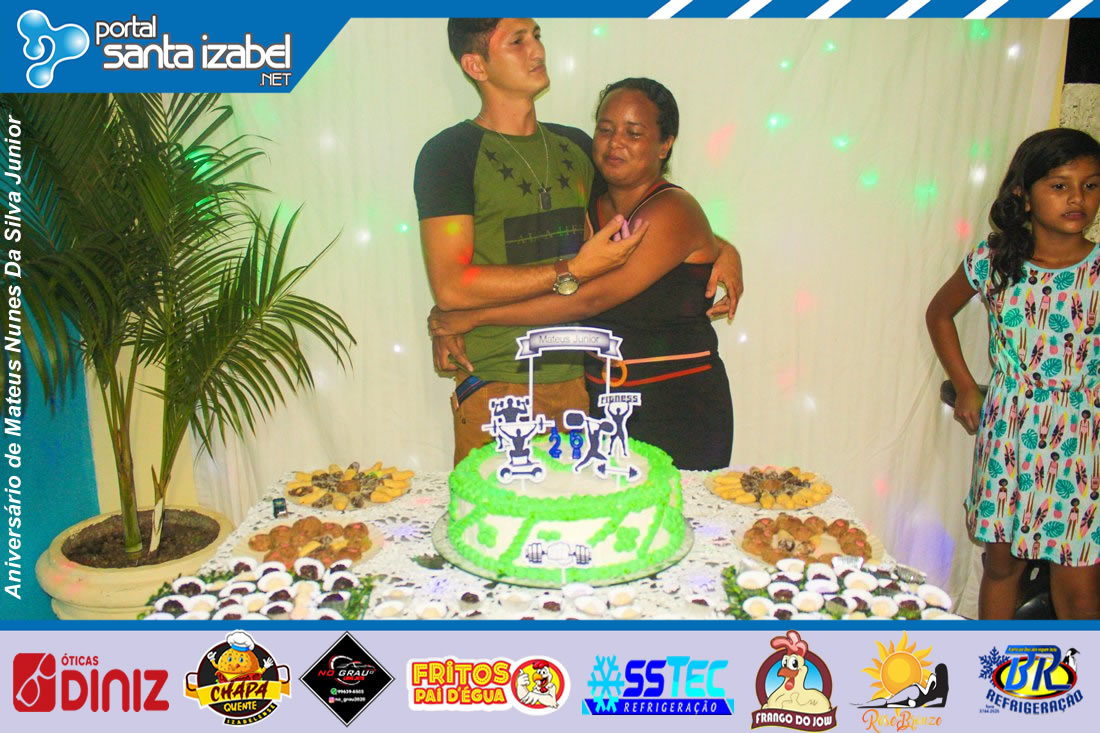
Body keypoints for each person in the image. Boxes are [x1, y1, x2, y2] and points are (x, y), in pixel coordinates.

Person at [416, 19, 743, 465]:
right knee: (493, 508)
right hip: (499, 378)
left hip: (582, 387)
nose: (536, 50)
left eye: (536, 36)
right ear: (476, 65)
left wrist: (721, 247)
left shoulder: (574, 149)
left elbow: (648, 221)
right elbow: (452, 286)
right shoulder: (450, 154)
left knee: (596, 509)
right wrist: (459, 312)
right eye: (517, 41)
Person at [926, 128, 1100, 619]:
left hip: (1082, 438)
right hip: (1010, 431)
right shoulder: (994, 261)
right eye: (1060, 185)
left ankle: (1082, 670)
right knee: (1003, 566)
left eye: (1090, 185)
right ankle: (992, 663)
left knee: (1080, 583)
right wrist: (966, 386)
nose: (1077, 198)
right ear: (1023, 195)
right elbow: (939, 314)